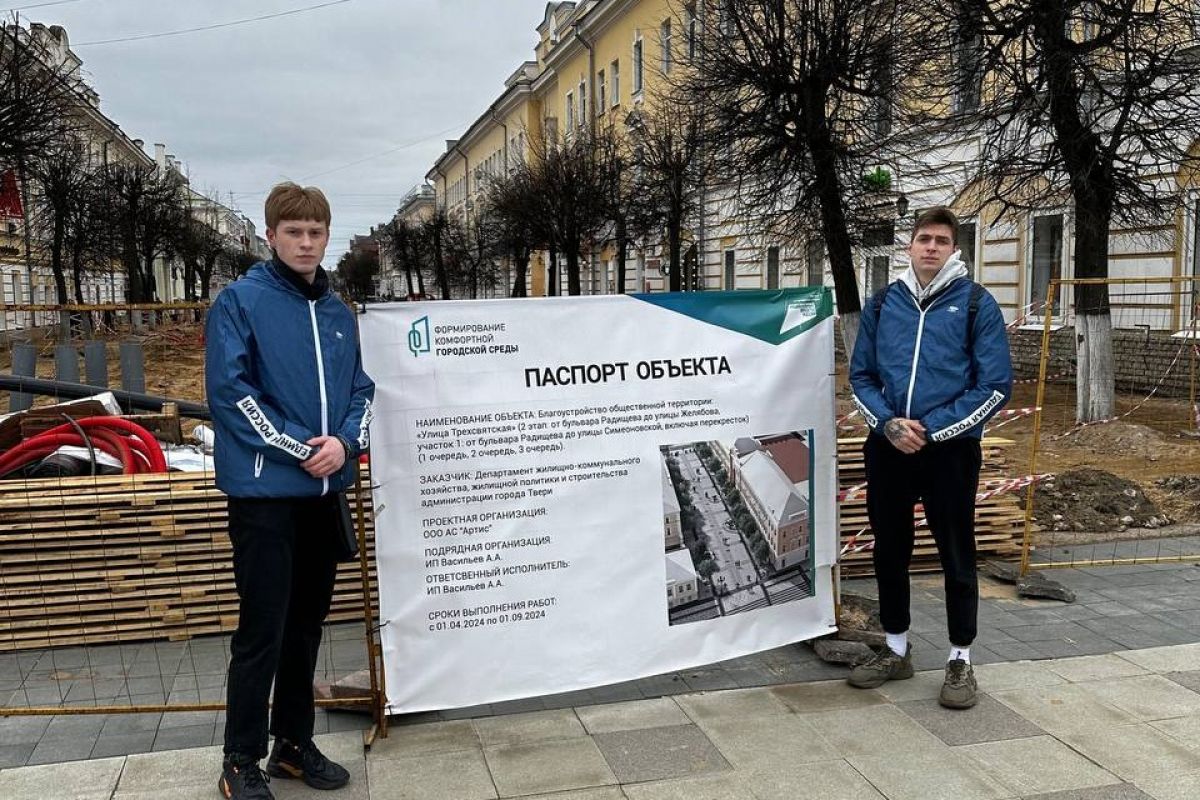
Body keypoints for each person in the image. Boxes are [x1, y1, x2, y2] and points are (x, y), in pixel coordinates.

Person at [206, 182, 375, 798]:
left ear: (328, 236)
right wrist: (302, 447)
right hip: (265, 499)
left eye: (316, 232)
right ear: (272, 234)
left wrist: (345, 443)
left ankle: (293, 745)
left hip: (322, 495)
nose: (307, 243)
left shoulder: (337, 311)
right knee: (262, 631)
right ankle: (239, 759)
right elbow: (231, 394)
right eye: (294, 232)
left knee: (307, 627)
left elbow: (361, 388)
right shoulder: (240, 303)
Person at [846, 206, 1012, 709]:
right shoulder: (882, 304)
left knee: (955, 553)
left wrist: (931, 431)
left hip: (950, 453)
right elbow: (861, 377)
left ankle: (961, 659)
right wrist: (890, 425)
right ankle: (896, 649)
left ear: (954, 248)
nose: (931, 247)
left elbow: (995, 386)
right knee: (889, 549)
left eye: (941, 240)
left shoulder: (978, 304)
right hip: (889, 446)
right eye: (924, 239)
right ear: (909, 246)